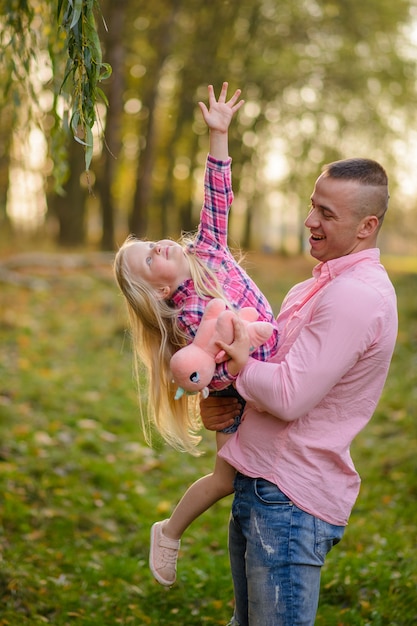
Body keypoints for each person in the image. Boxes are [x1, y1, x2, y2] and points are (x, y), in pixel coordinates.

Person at [200, 156, 398, 626]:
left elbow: (289, 397)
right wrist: (228, 398)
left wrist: (242, 364)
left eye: (327, 214)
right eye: (313, 206)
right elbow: (271, 377)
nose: (310, 221)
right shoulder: (310, 289)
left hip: (290, 502)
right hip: (260, 483)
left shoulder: (356, 296)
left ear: (367, 226)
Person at [113, 83, 279, 587]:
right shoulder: (185, 315)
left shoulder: (207, 251)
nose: (161, 246)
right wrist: (229, 382)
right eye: (151, 258)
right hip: (244, 397)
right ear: (157, 290)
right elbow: (209, 369)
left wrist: (219, 134)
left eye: (152, 244)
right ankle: (169, 529)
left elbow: (217, 195)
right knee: (226, 478)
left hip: (269, 375)